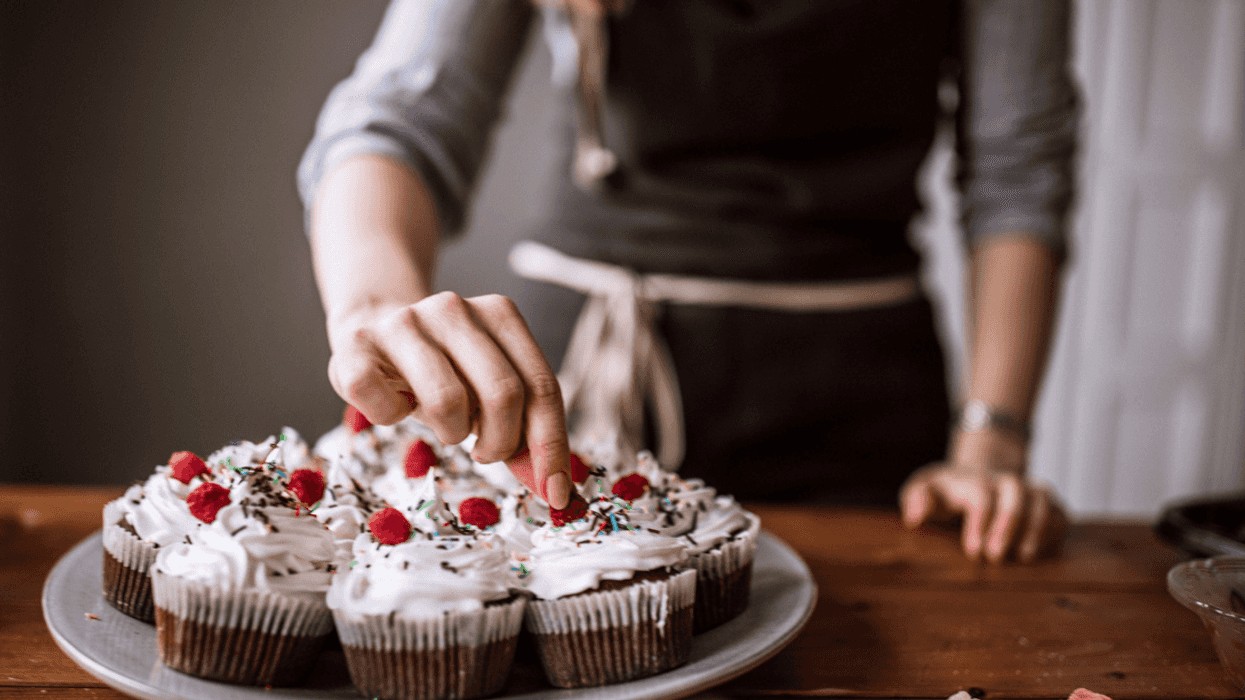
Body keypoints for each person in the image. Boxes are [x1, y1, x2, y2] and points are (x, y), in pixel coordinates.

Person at [297, 0, 1076, 563]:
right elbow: (405, 114)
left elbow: (1018, 170)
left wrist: (989, 444)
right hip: (573, 384)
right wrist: (371, 305)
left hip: (857, 400)